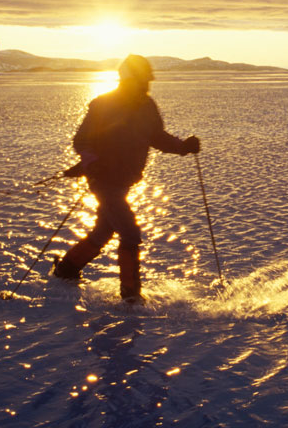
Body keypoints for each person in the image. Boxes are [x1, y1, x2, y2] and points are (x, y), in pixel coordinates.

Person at [55, 54, 200, 303]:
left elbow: (157, 136)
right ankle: (131, 296)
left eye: (147, 80)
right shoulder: (103, 104)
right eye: (142, 79)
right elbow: (81, 140)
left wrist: (183, 147)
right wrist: (92, 162)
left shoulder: (147, 106)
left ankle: (67, 269)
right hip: (103, 180)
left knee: (104, 230)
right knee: (130, 233)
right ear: (128, 78)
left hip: (124, 180)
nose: (145, 84)